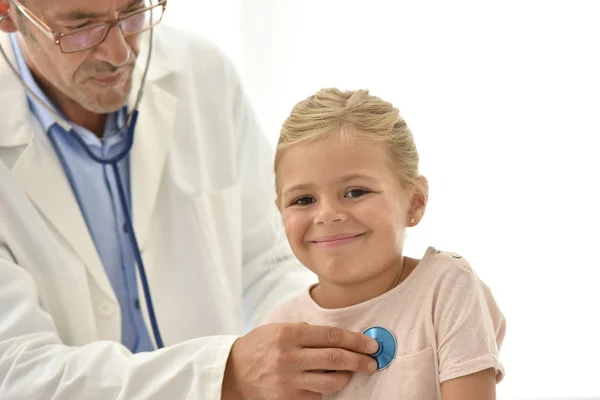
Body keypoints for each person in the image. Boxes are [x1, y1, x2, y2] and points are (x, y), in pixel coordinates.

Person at [0, 1, 382, 398]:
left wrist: (324, 345)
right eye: (80, 27)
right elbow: (16, 371)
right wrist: (225, 373)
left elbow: (267, 261)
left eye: (132, 13)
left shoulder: (201, 72)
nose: (120, 53)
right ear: (8, 13)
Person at [261, 88, 507, 399]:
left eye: (355, 192)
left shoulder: (445, 288)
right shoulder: (280, 327)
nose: (327, 215)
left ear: (414, 201)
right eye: (303, 199)